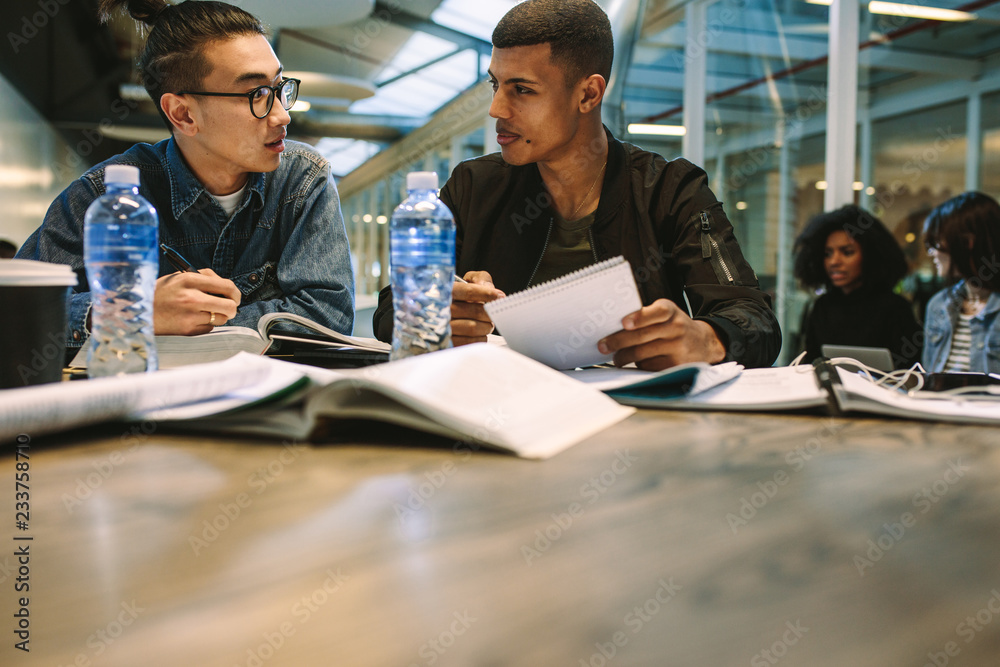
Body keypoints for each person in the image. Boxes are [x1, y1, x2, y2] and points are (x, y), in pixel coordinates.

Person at [373, 0, 780, 370]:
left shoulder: (671, 189)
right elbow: (390, 308)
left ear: (588, 94)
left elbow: (753, 318)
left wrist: (707, 339)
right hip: (498, 412)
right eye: (495, 85)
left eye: (522, 89)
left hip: (635, 422)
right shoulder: (473, 184)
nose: (496, 108)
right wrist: (435, 309)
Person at [16, 0, 354, 352]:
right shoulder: (106, 195)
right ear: (183, 115)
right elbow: (19, 310)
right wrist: (132, 311)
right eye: (257, 94)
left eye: (280, 87)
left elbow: (327, 314)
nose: (282, 116)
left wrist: (188, 325)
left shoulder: (301, 179)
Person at [793, 205, 921, 369]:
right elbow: (809, 364)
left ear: (870, 256)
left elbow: (910, 371)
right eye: (828, 254)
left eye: (847, 252)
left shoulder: (895, 308)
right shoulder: (821, 307)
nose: (834, 261)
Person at [922, 192, 1000, 373]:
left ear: (967, 242)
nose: (931, 252)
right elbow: (928, 377)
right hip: (934, 401)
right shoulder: (938, 304)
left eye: (936, 242)